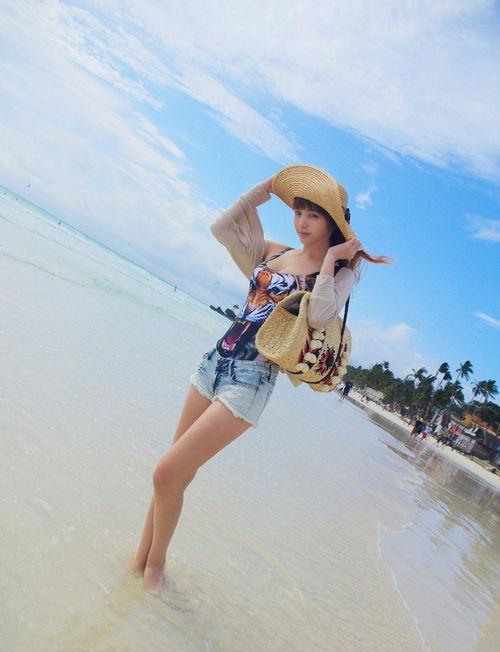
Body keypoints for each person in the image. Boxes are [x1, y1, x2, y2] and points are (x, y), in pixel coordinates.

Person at [129, 164, 392, 593]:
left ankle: (155, 569)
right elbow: (221, 227)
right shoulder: (273, 252)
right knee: (174, 477)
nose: (302, 222)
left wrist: (330, 261)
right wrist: (265, 189)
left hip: (249, 382)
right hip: (214, 362)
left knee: (165, 473)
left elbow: (320, 314)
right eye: (298, 211)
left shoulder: (339, 274)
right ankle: (139, 561)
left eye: (313, 215)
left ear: (333, 223)